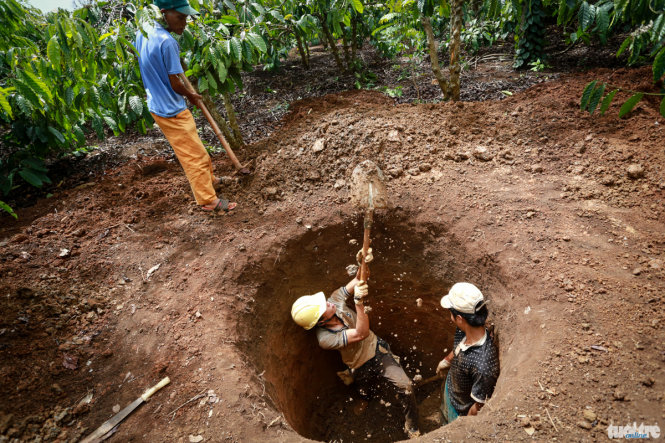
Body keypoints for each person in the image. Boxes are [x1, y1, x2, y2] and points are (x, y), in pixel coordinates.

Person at [290, 249, 420, 438]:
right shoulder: (325, 339)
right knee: (363, 385)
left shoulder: (334, 299)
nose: (328, 302)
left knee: (406, 387)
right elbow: (361, 333)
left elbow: (360, 279)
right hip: (357, 364)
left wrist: (363, 263)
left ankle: (413, 427)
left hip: (377, 350)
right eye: (323, 307)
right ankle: (365, 398)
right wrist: (359, 303)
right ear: (320, 321)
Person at [135, 0, 236, 213]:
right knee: (195, 156)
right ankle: (208, 200)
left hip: (157, 103)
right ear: (164, 13)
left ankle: (211, 180)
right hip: (171, 110)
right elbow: (175, 83)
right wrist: (191, 95)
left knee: (196, 148)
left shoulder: (143, 32)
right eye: (180, 17)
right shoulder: (168, 42)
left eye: (186, 17)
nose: (185, 23)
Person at [436, 282, 500, 425]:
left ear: (459, 318)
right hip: (451, 390)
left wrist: (460, 427)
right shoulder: (464, 329)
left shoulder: (484, 366)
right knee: (443, 413)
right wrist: (447, 360)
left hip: (460, 411)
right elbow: (461, 345)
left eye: (450, 312)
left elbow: (477, 407)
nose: (449, 316)